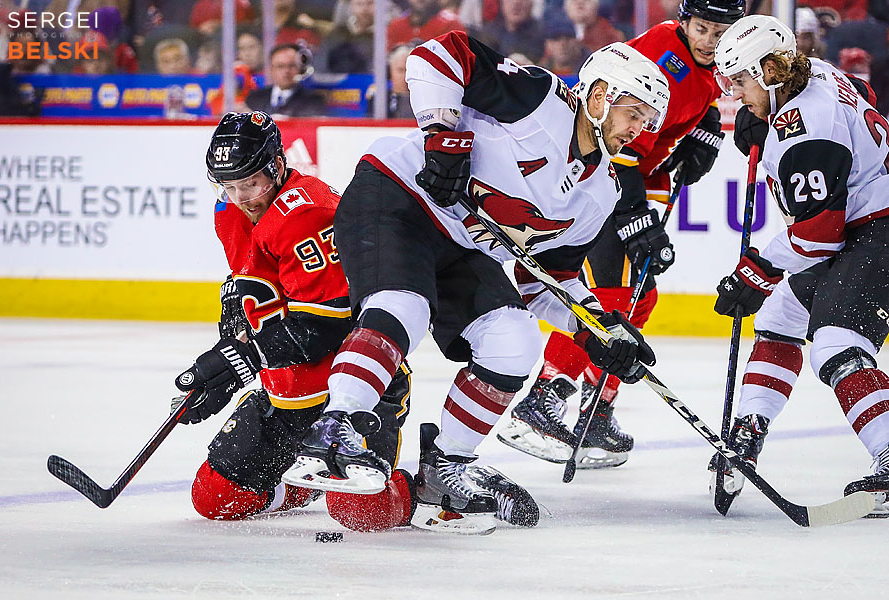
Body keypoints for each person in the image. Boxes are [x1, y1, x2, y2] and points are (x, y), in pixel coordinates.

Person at [281, 32, 669, 533]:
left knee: (515, 338)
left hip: (464, 241)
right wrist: (442, 137)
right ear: (599, 96)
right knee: (406, 305)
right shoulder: (538, 98)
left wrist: (598, 330)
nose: (638, 129)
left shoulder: (599, 196)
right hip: (399, 196)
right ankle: (335, 426)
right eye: (633, 113)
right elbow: (436, 55)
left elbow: (547, 281)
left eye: (647, 121)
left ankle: (446, 466)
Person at [497, 0, 743, 469]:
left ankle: (596, 411)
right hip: (599, 179)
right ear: (685, 21)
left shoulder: (709, 65)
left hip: (625, 182)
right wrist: (636, 215)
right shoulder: (662, 55)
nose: (711, 41)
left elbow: (683, 108)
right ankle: (541, 402)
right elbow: (619, 136)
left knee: (639, 298)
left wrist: (704, 123)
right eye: (703, 29)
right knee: (611, 295)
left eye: (721, 32)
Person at [173, 111, 416, 531]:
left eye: (249, 183)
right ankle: (299, 483)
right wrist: (226, 370)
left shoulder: (309, 212)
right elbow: (251, 293)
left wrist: (234, 360)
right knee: (215, 498)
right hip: (287, 391)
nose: (240, 197)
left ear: (277, 167)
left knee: (361, 513)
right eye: (227, 186)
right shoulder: (230, 210)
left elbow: (326, 325)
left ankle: (427, 487)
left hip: (354, 389)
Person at [710, 15, 889, 517]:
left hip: (877, 229)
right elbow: (862, 98)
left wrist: (756, 270)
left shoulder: (802, 132)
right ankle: (745, 436)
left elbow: (817, 232)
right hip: (866, 226)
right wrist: (767, 123)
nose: (736, 94)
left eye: (741, 81)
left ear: (769, 69)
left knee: (836, 341)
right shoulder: (816, 72)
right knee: (778, 318)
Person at [244, 43, 326, 117]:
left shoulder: (313, 100)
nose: (286, 71)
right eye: (280, 66)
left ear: (301, 69)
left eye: (292, 65)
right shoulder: (254, 97)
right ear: (271, 69)